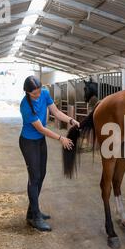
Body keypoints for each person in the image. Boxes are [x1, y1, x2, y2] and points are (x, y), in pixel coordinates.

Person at [19, 76, 80, 231]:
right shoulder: (25, 105)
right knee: (34, 177)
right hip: (28, 142)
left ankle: (32, 212)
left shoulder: (44, 93)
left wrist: (71, 120)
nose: (37, 95)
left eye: (39, 91)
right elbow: (41, 128)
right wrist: (61, 138)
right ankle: (36, 218)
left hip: (39, 142)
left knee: (42, 174)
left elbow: (56, 112)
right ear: (27, 92)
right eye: (34, 94)